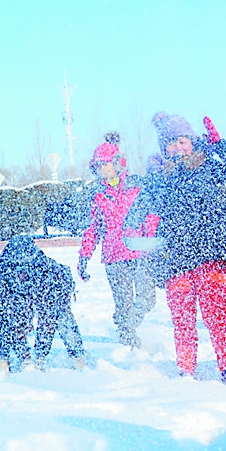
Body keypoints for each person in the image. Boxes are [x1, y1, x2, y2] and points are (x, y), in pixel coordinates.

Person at [146, 112, 226, 384]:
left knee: (216, 317)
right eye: (171, 142)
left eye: (183, 140)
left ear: (192, 141)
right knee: (182, 321)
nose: (178, 147)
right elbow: (150, 213)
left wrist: (218, 144)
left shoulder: (210, 166)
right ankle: (186, 371)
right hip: (176, 260)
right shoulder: (163, 178)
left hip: (211, 255)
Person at [77, 132, 159, 347]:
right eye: (98, 166)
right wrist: (85, 255)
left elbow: (150, 216)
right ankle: (127, 338)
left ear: (117, 163)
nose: (102, 169)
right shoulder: (97, 196)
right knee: (123, 302)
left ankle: (128, 324)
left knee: (147, 298)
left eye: (105, 164)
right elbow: (92, 228)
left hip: (139, 252)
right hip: (114, 257)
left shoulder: (136, 187)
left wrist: (150, 241)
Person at [0, 235, 87, 372]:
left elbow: (48, 318)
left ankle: (79, 359)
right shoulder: (2, 277)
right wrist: (24, 357)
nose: (22, 273)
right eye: (19, 269)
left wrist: (40, 355)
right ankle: (3, 363)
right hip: (16, 296)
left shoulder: (49, 272)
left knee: (62, 316)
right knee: (3, 318)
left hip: (51, 291)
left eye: (26, 268)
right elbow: (7, 320)